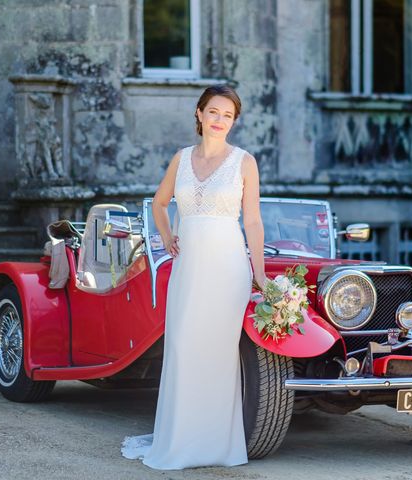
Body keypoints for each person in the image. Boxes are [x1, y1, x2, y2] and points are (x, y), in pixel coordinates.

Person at [120, 85, 268, 469]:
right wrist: (168, 237)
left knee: (218, 356)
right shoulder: (181, 159)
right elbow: (159, 202)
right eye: (214, 112)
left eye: (228, 116)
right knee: (184, 348)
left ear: (234, 122)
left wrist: (261, 274)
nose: (220, 121)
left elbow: (251, 219)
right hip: (188, 268)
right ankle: (180, 442)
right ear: (200, 114)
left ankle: (217, 446)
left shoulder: (244, 162)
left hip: (228, 267)